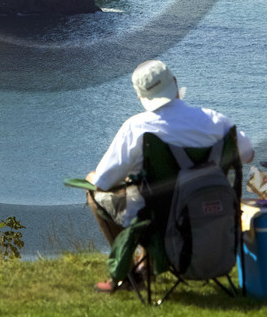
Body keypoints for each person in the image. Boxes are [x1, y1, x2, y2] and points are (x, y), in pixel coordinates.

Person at [83, 59, 253, 292]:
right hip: (213, 212)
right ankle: (148, 265)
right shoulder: (215, 120)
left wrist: (92, 178)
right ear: (174, 83)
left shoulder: (137, 127)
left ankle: (131, 275)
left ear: (140, 96)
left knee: (98, 194)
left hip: (159, 219)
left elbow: (104, 182)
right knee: (151, 195)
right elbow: (248, 154)